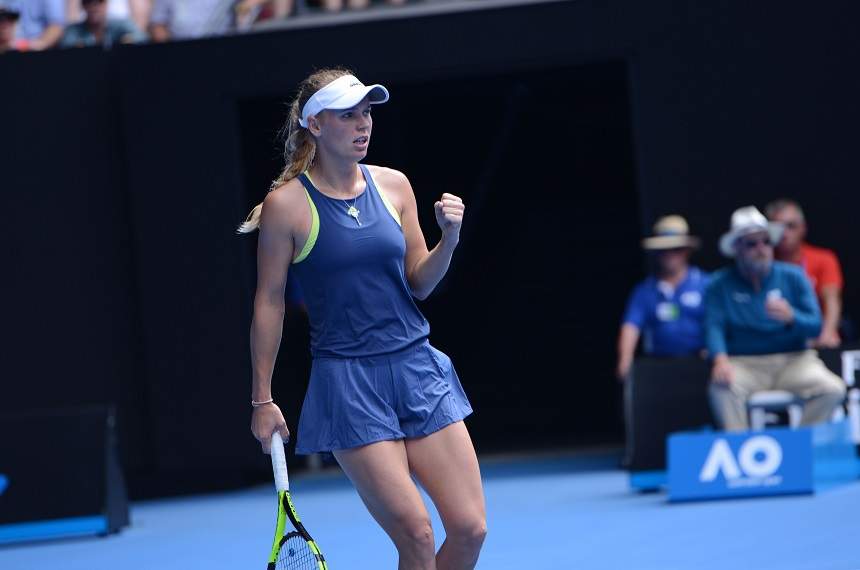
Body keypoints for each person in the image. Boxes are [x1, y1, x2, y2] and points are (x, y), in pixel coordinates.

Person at [239, 68, 486, 569]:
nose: (363, 124)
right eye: (348, 114)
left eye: (367, 112)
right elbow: (269, 302)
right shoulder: (286, 206)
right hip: (349, 384)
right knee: (416, 534)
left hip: (419, 370)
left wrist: (449, 240)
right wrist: (262, 399)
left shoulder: (394, 185)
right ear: (314, 124)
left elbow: (419, 281)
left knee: (469, 529)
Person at [705, 206, 845, 431]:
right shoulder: (718, 284)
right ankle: (741, 454)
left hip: (795, 361)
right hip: (744, 363)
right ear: (736, 248)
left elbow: (815, 326)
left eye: (766, 241)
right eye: (752, 243)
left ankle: (799, 446)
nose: (761, 249)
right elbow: (714, 326)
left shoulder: (794, 276)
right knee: (720, 388)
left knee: (832, 389)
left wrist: (792, 318)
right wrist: (720, 359)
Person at [616, 215, 709, 380]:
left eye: (676, 249)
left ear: (687, 250)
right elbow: (631, 326)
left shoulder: (705, 283)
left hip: (700, 362)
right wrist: (625, 359)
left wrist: (716, 352)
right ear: (657, 253)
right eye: (664, 250)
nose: (670, 255)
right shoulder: (644, 290)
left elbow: (719, 321)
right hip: (659, 366)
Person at [765, 198, 845, 347]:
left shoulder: (824, 259)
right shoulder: (763, 263)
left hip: (815, 336)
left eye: (791, 226)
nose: (785, 233)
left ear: (803, 228)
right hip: (774, 341)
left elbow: (832, 300)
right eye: (778, 227)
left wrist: (827, 333)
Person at [60, 0, 145, 47]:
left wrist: (128, 40)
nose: (94, 7)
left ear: (106, 3)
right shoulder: (73, 30)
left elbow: (142, 37)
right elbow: (65, 46)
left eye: (99, 1)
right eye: (88, 2)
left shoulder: (120, 25)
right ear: (82, 5)